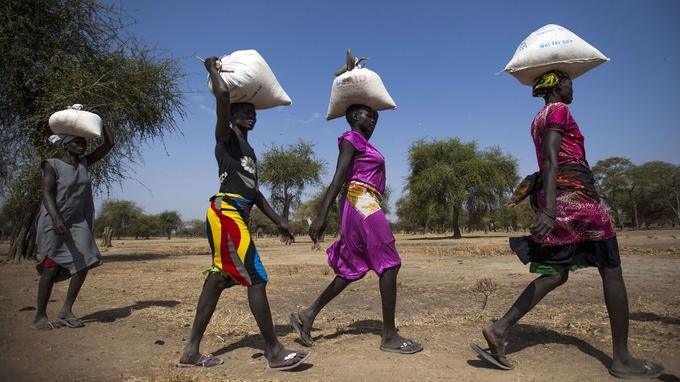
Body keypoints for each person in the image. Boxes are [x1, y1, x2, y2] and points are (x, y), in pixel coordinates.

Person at [471, 70, 665, 379]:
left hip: (561, 198)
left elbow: (549, 160)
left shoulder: (538, 118)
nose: (573, 87)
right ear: (558, 84)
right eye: (570, 81)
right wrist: (548, 210)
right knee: (611, 269)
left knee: (557, 273)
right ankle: (622, 359)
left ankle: (499, 329)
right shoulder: (560, 109)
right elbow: (550, 159)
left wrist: (550, 207)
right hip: (577, 200)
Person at [177, 56, 310, 370]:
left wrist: (279, 221)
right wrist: (211, 67)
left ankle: (191, 351)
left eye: (253, 112)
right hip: (226, 213)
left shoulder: (248, 152)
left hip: (236, 213)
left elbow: (255, 192)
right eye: (244, 112)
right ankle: (275, 352)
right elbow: (223, 95)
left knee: (217, 281)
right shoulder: (225, 139)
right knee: (256, 278)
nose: (251, 116)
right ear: (230, 115)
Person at [290, 104, 423, 355]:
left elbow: (376, 114)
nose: (373, 119)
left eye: (374, 116)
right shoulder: (351, 140)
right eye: (367, 115)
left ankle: (308, 314)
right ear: (353, 116)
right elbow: (338, 177)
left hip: (362, 201)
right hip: (360, 200)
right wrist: (322, 215)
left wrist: (364, 90)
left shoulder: (364, 142)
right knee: (391, 263)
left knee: (353, 266)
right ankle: (389, 335)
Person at [33, 118, 115, 330]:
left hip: (78, 220)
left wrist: (104, 123)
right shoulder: (52, 164)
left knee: (86, 260)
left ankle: (66, 310)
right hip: (55, 218)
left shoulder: (84, 164)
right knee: (50, 268)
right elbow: (46, 193)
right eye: (76, 142)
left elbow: (109, 145)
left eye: (83, 142)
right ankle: (40, 316)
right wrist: (56, 218)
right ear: (65, 144)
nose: (81, 145)